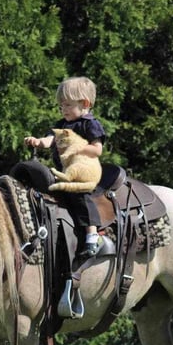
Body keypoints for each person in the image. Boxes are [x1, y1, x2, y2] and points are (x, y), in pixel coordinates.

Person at [24, 76, 107, 258]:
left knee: (80, 196)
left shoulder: (90, 124)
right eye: (61, 105)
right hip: (66, 172)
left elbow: (97, 149)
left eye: (68, 105)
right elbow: (50, 140)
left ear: (84, 103)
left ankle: (93, 234)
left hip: (84, 172)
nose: (63, 109)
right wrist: (38, 142)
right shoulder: (61, 125)